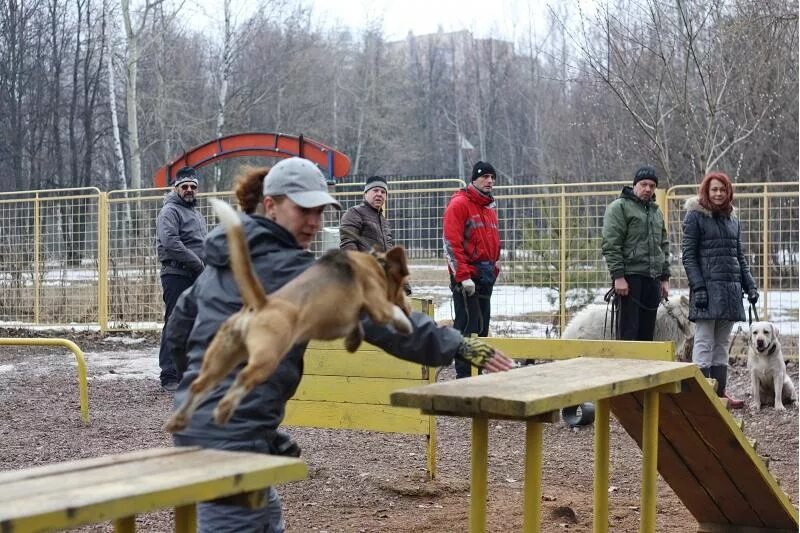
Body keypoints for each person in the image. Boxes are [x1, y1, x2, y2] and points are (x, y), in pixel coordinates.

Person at [166, 157, 514, 533]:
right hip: (228, 439)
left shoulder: (224, 261)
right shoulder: (289, 269)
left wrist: (201, 393)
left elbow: (179, 331)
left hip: (222, 428)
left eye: (319, 211)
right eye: (303, 210)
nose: (314, 223)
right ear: (271, 206)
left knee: (265, 519)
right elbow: (383, 321)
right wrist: (460, 345)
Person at [682, 171, 757, 409]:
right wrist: (699, 287)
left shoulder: (733, 219)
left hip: (730, 291)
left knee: (722, 344)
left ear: (728, 192)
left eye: (722, 190)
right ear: (706, 190)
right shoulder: (695, 217)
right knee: (704, 342)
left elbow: (739, 256)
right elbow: (689, 256)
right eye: (714, 189)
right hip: (706, 290)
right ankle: (702, 396)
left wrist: (750, 285)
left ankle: (720, 393)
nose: (718, 193)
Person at [443, 160, 501, 379]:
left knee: (482, 326)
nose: (490, 181)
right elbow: (451, 243)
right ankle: (464, 376)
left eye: (492, 177)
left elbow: (493, 240)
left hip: (485, 276)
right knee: (467, 325)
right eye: (485, 176)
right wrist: (463, 276)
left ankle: (477, 370)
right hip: (467, 277)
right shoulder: (459, 204)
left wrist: (496, 264)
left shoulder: (487, 208)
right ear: (474, 179)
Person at [601, 165, 670, 341]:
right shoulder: (619, 207)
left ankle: (644, 369)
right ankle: (625, 368)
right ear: (634, 185)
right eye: (643, 184)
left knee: (647, 336)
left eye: (652, 186)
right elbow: (611, 244)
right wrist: (618, 276)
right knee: (628, 335)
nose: (648, 189)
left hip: (652, 280)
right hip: (629, 280)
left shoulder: (656, 212)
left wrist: (664, 278)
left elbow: (663, 245)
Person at [155, 166, 207, 391]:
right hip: (177, 274)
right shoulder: (170, 211)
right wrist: (198, 263)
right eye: (184, 186)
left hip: (197, 275)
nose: (189, 190)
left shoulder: (196, 214)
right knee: (175, 322)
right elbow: (171, 243)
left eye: (192, 187)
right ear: (175, 188)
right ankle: (169, 375)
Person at [339, 175, 394, 252]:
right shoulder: (354, 213)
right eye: (375, 190)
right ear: (365, 194)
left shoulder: (384, 221)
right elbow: (348, 244)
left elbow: (389, 248)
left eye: (383, 192)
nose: (379, 194)